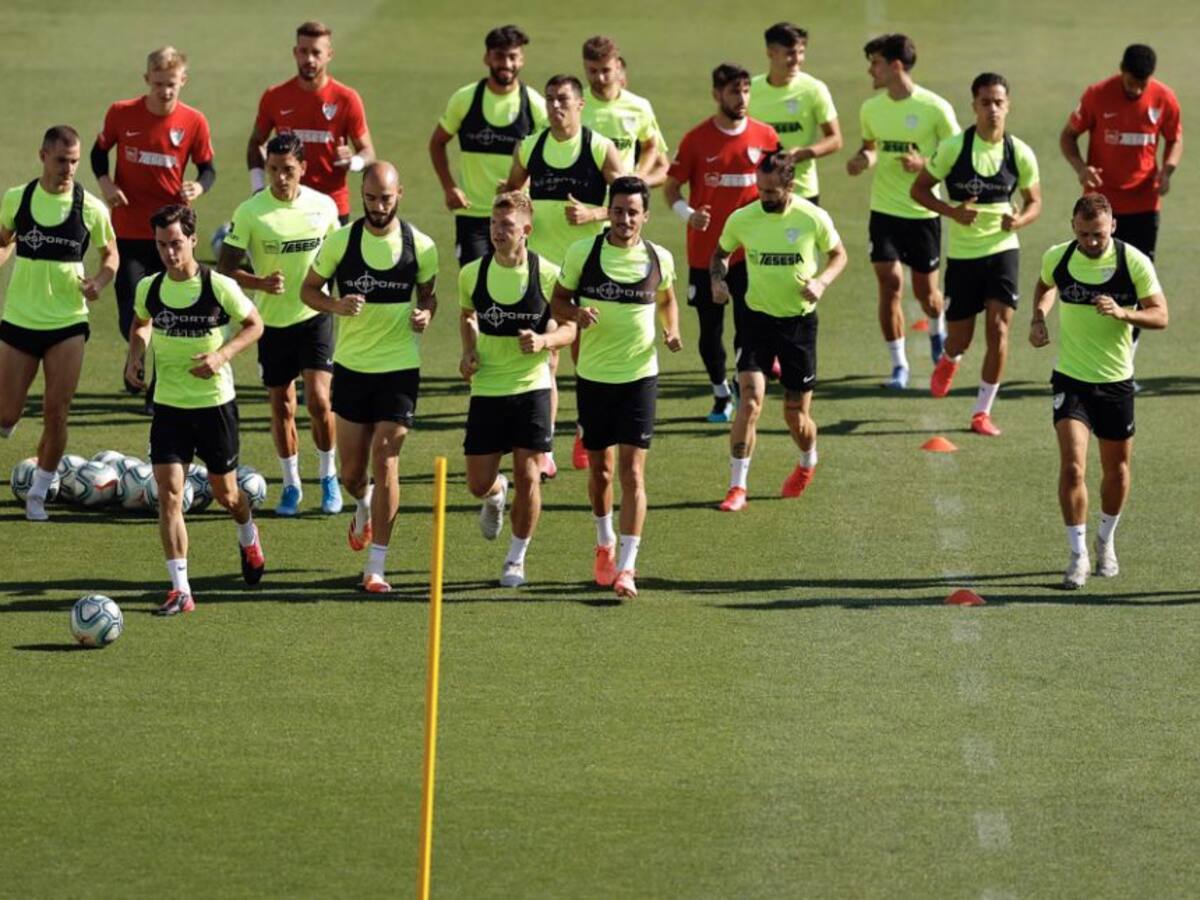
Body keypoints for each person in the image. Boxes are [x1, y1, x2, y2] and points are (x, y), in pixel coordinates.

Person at [301, 162, 438, 594]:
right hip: (353, 368)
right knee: (352, 474)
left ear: (401, 194)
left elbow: (429, 295)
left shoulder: (422, 245)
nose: (379, 207)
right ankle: (363, 506)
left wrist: (425, 314)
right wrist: (335, 306)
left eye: (387, 198)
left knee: (387, 459)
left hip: (399, 369)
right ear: (361, 194)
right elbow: (308, 290)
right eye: (372, 198)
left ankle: (376, 566)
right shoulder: (341, 242)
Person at [125, 205, 265, 615]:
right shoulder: (149, 287)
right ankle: (181, 590)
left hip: (214, 406)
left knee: (227, 493)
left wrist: (222, 356)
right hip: (169, 406)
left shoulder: (217, 286)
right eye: (161, 245)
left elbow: (255, 324)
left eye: (176, 244)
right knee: (169, 496)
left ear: (192, 240)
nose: (169, 253)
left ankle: (247, 532)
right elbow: (141, 323)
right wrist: (135, 355)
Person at [550, 176, 682, 600]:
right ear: (608, 211)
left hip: (640, 378)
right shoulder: (583, 253)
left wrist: (671, 330)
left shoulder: (659, 257)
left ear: (646, 215)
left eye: (633, 212)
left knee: (633, 472)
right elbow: (557, 300)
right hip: (593, 377)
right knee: (602, 471)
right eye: (618, 210)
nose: (625, 219)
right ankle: (604, 540)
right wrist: (576, 313)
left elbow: (666, 299)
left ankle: (627, 567)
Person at [1028, 194, 1167, 590]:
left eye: (1099, 235)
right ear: (1074, 226)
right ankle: (1078, 555)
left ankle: (1105, 541)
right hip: (1071, 379)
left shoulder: (1132, 262)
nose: (1091, 241)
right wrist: (1038, 318)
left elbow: (1161, 314)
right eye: (1085, 233)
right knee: (1073, 466)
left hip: (1116, 382)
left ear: (1113, 227)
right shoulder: (1059, 256)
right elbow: (1044, 285)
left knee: (1116, 471)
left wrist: (1125, 313)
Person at [710, 152, 846, 511]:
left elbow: (839, 255)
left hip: (799, 324)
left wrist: (821, 283)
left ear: (791, 185)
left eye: (771, 191)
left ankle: (807, 461)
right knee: (750, 402)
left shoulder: (811, 217)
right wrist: (717, 280)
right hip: (755, 320)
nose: (764, 197)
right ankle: (737, 487)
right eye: (760, 189)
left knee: (794, 416)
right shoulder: (743, 218)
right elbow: (720, 253)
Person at [503, 73, 623, 479]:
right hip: (541, 271)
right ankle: (546, 447)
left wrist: (595, 213)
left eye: (564, 100)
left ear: (580, 105)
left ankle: (586, 429)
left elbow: (630, 203)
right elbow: (511, 196)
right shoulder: (531, 147)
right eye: (551, 99)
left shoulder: (598, 148)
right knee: (547, 360)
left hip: (584, 270)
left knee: (585, 359)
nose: (556, 107)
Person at [219, 133, 342, 516]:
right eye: (273, 170)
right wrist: (260, 283)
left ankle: (328, 478)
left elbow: (338, 259)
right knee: (283, 405)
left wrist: (338, 303)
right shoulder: (250, 212)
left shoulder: (323, 207)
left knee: (320, 401)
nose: (281, 178)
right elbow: (225, 266)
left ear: (303, 168)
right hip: (272, 322)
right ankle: (291, 485)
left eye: (288, 170)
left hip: (314, 316)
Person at [912, 73, 1041, 435]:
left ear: (1008, 106)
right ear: (974, 106)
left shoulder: (1019, 152)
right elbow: (919, 190)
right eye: (985, 102)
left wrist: (1019, 221)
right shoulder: (954, 148)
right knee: (960, 339)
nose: (993, 110)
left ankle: (981, 412)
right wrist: (953, 212)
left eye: (999, 102)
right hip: (965, 256)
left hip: (1002, 251)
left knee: (999, 329)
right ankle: (949, 359)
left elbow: (1035, 203)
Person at [0, 126, 117, 522]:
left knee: (57, 411)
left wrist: (99, 282)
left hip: (68, 323)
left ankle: (38, 492)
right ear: (43, 157)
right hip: (19, 319)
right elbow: (3, 241)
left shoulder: (90, 208)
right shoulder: (18, 199)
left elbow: (110, 255)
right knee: (6, 413)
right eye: (61, 160)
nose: (68, 168)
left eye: (74, 161)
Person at [458, 192, 576, 587]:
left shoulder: (547, 274)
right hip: (489, 387)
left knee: (529, 474)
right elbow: (467, 316)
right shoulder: (472, 273)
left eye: (506, 226)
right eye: (494, 224)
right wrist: (469, 352)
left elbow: (570, 328)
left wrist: (544, 342)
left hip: (532, 387)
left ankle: (515, 557)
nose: (497, 232)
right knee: (477, 483)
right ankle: (495, 494)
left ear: (526, 230)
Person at [91, 46, 215, 405]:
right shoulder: (121, 113)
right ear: (147, 80)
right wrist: (106, 183)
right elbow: (100, 152)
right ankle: (137, 358)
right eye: (159, 83)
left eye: (172, 84)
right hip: (128, 229)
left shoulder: (194, 122)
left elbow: (208, 167)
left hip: (172, 235)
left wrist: (199, 186)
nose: (165, 91)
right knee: (130, 312)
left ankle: (157, 387)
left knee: (167, 310)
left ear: (183, 81)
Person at [664, 63, 780, 423]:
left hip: (750, 254)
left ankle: (745, 385)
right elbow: (671, 189)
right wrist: (689, 215)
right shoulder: (696, 140)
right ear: (717, 95)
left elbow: (781, 180)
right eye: (734, 91)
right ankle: (719, 392)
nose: (742, 97)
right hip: (706, 255)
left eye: (746, 90)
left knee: (750, 326)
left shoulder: (766, 136)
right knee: (710, 333)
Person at [847, 33, 959, 388]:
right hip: (884, 212)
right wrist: (862, 159)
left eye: (875, 63)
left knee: (928, 295)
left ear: (896, 66)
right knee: (890, 285)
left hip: (923, 213)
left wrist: (925, 162)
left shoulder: (935, 108)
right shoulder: (871, 108)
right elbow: (871, 147)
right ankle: (899, 366)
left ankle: (937, 332)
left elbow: (958, 157)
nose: (870, 71)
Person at [429, 24, 547, 268]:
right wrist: (450, 188)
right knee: (476, 287)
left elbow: (549, 155)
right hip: (473, 214)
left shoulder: (534, 104)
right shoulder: (465, 99)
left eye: (513, 57)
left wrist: (524, 184)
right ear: (487, 57)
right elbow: (437, 143)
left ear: (522, 59)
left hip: (516, 214)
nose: (506, 64)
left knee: (518, 287)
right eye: (499, 56)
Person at [1059, 44, 1182, 262]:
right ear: (1121, 70)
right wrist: (1081, 168)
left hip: (1144, 202)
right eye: (1130, 83)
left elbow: (1174, 139)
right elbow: (1068, 136)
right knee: (1097, 272)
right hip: (1100, 204)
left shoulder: (1165, 98)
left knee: (1140, 274)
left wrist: (1167, 171)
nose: (1135, 90)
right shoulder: (1097, 95)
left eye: (1141, 85)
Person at [247, 20, 374, 224]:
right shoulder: (274, 97)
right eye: (303, 51)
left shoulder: (347, 99)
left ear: (329, 55)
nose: (309, 59)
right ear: (295, 52)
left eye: (316, 53)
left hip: (332, 206)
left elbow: (368, 153)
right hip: (286, 202)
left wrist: (353, 162)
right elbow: (255, 143)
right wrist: (258, 189)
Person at [748, 22, 842, 204]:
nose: (798, 59)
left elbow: (835, 139)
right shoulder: (750, 90)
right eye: (790, 53)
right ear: (770, 53)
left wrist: (802, 154)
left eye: (801, 52)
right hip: (759, 191)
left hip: (802, 191)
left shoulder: (814, 89)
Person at [580, 35, 669, 187]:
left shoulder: (639, 106)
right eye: (593, 71)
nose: (600, 78)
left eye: (606, 70)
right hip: (584, 200)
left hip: (621, 203)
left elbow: (651, 146)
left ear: (618, 66)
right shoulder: (576, 105)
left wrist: (638, 178)